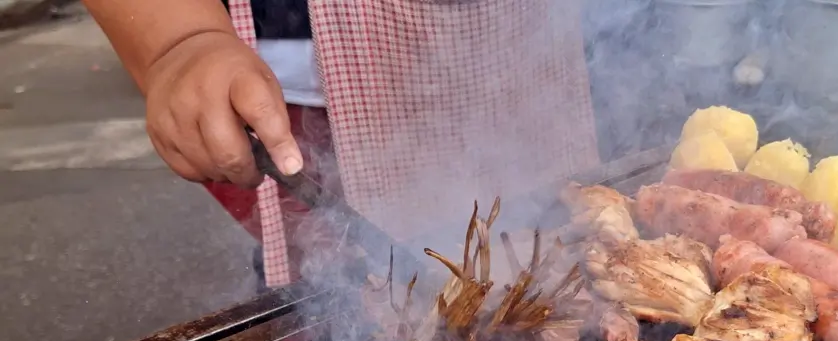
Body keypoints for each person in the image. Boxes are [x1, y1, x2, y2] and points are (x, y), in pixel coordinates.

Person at [81, 0, 601, 288]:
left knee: (556, 256)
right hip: (286, 92)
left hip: (523, 49)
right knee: (336, 292)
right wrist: (177, 40)